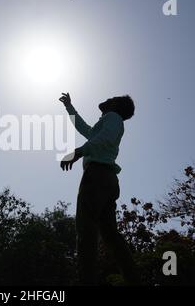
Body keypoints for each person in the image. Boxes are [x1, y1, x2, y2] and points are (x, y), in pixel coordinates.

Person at [59, 92, 140, 285]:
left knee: (86, 231)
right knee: (110, 235)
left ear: (115, 105)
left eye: (112, 98)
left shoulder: (113, 118)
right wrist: (69, 107)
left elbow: (104, 139)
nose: (107, 98)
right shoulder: (109, 121)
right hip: (107, 180)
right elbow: (85, 129)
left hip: (97, 177)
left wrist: (78, 152)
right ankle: (133, 279)